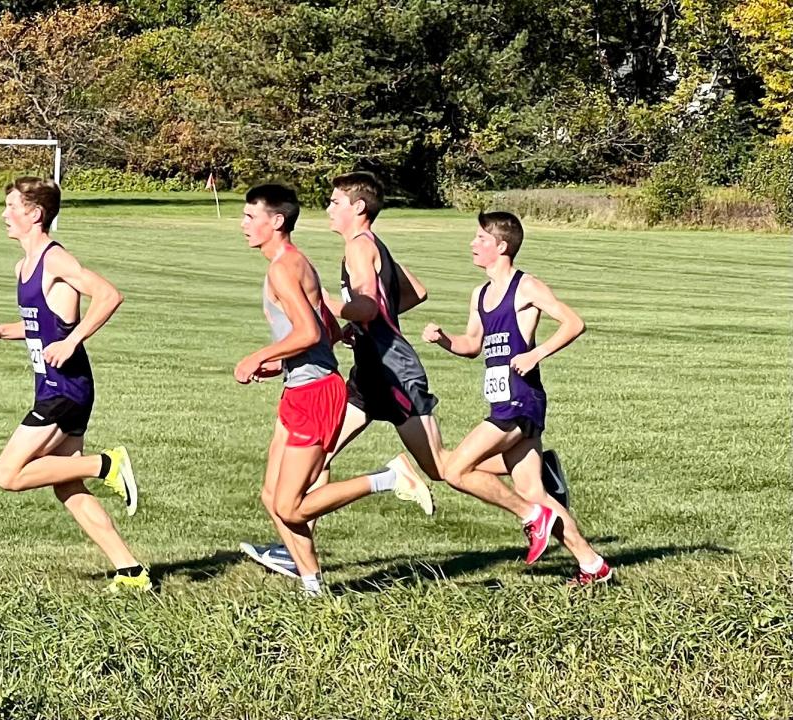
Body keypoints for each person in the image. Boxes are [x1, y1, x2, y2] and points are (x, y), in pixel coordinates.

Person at [241, 172, 566, 576]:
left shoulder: (360, 248)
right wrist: (355, 329)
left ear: (358, 207)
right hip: (370, 369)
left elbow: (368, 307)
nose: (329, 209)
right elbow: (415, 291)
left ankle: (534, 492)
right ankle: (297, 544)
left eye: (336, 202)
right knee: (319, 453)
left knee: (442, 469)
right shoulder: (371, 246)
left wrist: (320, 303)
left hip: (393, 370)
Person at [235, 183, 433, 595]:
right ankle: (312, 586)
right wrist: (281, 362)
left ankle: (388, 478)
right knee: (271, 496)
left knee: (290, 504)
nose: (243, 225)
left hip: (315, 394)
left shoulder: (283, 268)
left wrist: (259, 355)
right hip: (300, 385)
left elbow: (307, 331)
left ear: (276, 222)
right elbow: (323, 327)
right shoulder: (295, 262)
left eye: (250, 217)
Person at [0, 176, 149, 593]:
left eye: (12, 206)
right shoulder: (23, 266)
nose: (4, 214)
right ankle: (131, 572)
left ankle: (106, 464)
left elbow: (108, 295)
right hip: (55, 387)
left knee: (8, 475)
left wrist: (73, 340)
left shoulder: (56, 260)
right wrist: (0, 332)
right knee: (66, 486)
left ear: (34, 213)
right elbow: (40, 328)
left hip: (65, 389)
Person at [422, 211, 613, 585]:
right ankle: (593, 565)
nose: (472, 245)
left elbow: (574, 322)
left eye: (480, 239)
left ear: (501, 246)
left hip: (521, 398)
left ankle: (529, 516)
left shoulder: (526, 287)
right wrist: (445, 340)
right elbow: (473, 345)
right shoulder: (479, 294)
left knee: (454, 470)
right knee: (534, 491)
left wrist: (535, 354)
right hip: (502, 399)